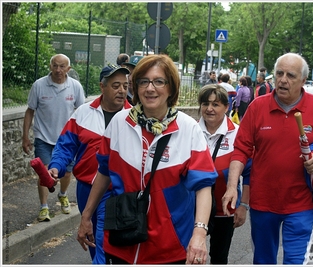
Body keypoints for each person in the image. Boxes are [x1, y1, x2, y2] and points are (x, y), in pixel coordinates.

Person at [77, 54, 218, 264]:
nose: (150, 88)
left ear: (171, 88)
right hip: (122, 240)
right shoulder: (119, 122)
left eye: (159, 81)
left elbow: (203, 187)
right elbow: (104, 171)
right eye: (143, 81)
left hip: (170, 246)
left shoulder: (189, 129)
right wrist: (86, 216)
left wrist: (199, 234)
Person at [222, 53, 313, 264]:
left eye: (291, 75)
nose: (283, 79)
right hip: (263, 201)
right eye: (279, 73)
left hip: (302, 202)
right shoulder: (258, 106)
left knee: (295, 261)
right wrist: (232, 187)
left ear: (303, 81)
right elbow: (240, 149)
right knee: (264, 260)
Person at [47, 65, 131, 263]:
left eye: (126, 86)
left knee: (102, 239)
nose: (122, 91)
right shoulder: (83, 113)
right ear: (103, 87)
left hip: (116, 190)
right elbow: (65, 146)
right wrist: (56, 167)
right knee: (91, 236)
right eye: (116, 85)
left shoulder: (134, 117)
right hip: (86, 188)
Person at [22, 54, 85, 222]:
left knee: (66, 173)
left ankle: (63, 194)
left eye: (62, 66)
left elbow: (82, 113)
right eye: (55, 66)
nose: (58, 70)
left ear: (68, 69)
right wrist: (25, 136)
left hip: (67, 140)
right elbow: (30, 111)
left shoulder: (75, 86)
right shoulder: (39, 85)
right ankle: (44, 207)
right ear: (50, 67)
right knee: (44, 173)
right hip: (44, 137)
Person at [197, 84, 251, 264]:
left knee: (219, 258)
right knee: (191, 255)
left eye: (215, 104)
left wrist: (243, 205)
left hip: (224, 211)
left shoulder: (238, 133)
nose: (209, 109)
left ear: (226, 107)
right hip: (193, 211)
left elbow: (250, 173)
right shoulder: (190, 131)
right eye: (205, 104)